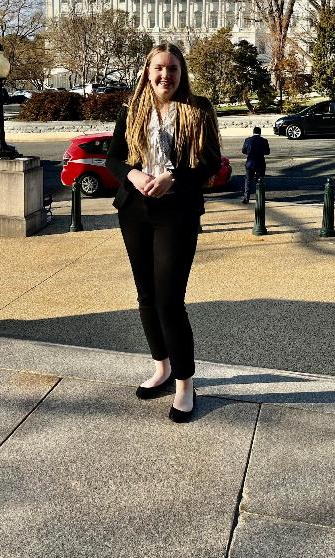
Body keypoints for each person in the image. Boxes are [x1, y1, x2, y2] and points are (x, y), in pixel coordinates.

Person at [106, 42, 221, 424]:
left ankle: (185, 383)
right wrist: (134, 173)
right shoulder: (133, 109)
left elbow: (210, 162)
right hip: (135, 210)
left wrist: (174, 178)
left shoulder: (197, 110)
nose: (165, 75)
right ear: (147, 71)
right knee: (146, 296)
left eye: (172, 68)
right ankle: (162, 365)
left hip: (177, 211)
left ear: (181, 72)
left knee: (170, 300)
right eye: (159, 68)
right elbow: (114, 157)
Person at [241, 126, 270, 203]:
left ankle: (246, 197)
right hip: (260, 163)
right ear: (260, 133)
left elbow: (244, 151)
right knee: (260, 181)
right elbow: (267, 152)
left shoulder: (247, 140)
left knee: (248, 180)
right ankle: (260, 197)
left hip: (250, 163)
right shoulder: (264, 140)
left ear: (253, 132)